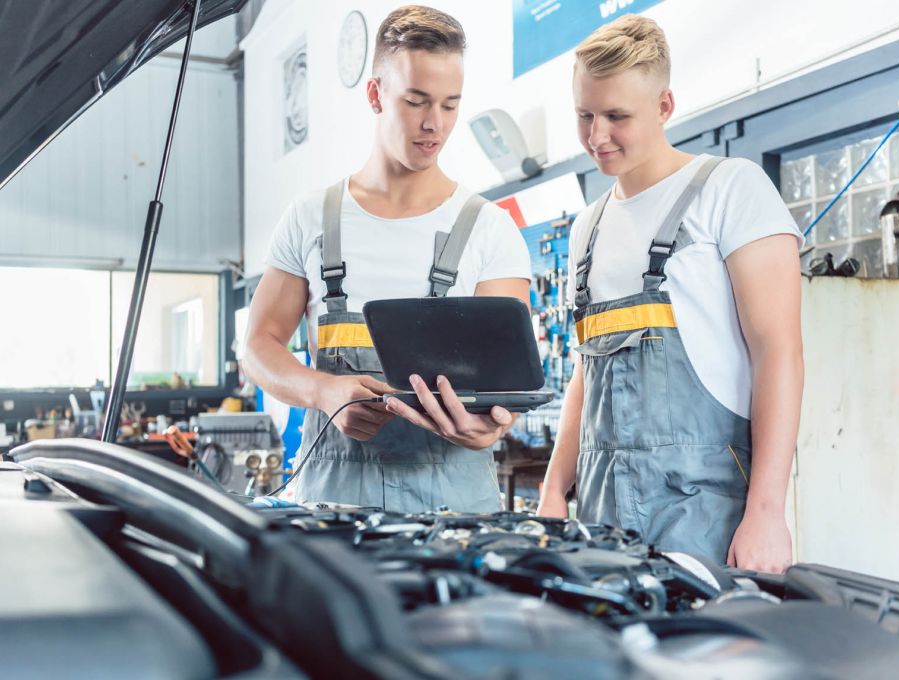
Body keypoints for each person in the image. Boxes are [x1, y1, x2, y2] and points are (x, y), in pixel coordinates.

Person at [537, 15, 804, 573]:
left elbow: (778, 352)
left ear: (664, 106)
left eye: (617, 116)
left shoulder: (731, 189)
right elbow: (586, 374)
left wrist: (767, 513)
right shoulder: (587, 228)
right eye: (584, 115)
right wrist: (553, 488)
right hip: (601, 512)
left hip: (707, 510)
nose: (597, 136)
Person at [243, 5, 531, 512]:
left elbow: (508, 384)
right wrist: (324, 392)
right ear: (376, 94)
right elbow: (258, 348)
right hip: (332, 503)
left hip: (455, 510)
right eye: (416, 101)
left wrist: (489, 427)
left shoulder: (490, 229)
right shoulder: (312, 218)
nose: (433, 125)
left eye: (449, 105)